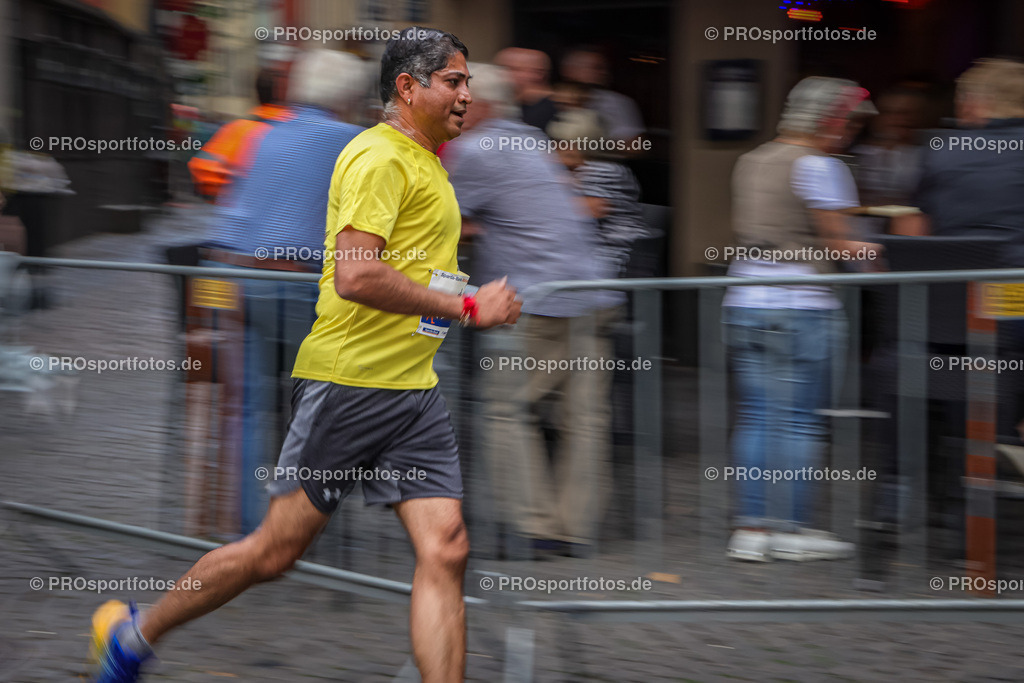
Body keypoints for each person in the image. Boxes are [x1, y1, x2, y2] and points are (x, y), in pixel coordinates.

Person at [89, 29, 521, 683]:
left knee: (447, 547)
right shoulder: (377, 157)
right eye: (454, 81)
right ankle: (133, 634)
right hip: (350, 384)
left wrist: (453, 297)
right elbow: (354, 275)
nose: (469, 93)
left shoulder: (427, 159)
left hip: (413, 390)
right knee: (272, 552)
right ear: (408, 86)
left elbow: (412, 269)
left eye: (468, 81)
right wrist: (468, 307)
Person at [445, 64, 620, 558]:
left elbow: (442, 223)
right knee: (583, 417)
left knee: (506, 409)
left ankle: (532, 525)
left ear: (477, 104)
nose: (452, 106)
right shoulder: (528, 140)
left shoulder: (477, 150)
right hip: (590, 291)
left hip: (536, 301)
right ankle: (576, 528)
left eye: (458, 95)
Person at [202, 48, 370, 534]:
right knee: (323, 404)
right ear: (350, 96)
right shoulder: (356, 142)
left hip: (236, 275)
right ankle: (305, 525)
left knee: (247, 406)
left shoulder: (262, 136)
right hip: (302, 283)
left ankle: (250, 528)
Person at [723, 77, 880, 562]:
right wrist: (876, 250)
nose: (851, 132)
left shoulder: (753, 160)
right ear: (831, 120)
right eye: (850, 122)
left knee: (755, 415)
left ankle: (751, 530)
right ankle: (790, 529)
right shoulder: (822, 166)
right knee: (797, 422)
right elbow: (839, 241)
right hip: (803, 304)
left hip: (744, 299)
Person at [187, 66, 292, 203]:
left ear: (257, 93)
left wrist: (235, 191)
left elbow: (202, 168)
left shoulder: (238, 129)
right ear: (284, 93)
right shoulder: (300, 133)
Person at [561, 48, 644, 147]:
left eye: (604, 68)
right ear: (569, 70)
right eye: (596, 67)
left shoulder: (618, 103)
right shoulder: (552, 99)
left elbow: (635, 146)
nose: (604, 73)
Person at [495, 47, 558, 131]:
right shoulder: (492, 105)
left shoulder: (555, 109)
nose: (500, 72)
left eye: (538, 71)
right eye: (499, 67)